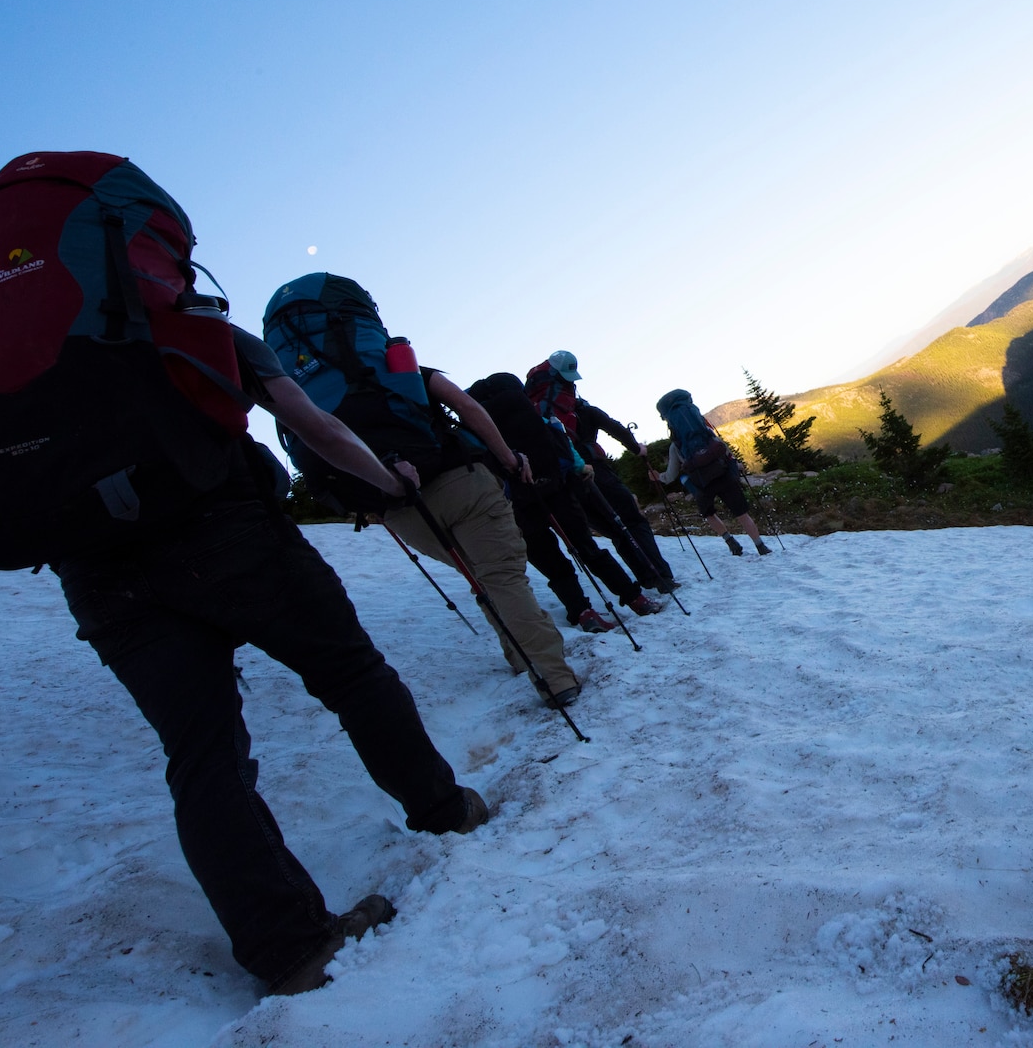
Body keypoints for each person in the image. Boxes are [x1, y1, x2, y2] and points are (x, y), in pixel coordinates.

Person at [52, 326, 494, 995]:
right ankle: (443, 809)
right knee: (350, 673)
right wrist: (388, 482)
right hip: (226, 530)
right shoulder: (184, 323)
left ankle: (290, 947)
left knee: (200, 751)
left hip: (94, 570)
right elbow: (315, 427)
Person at [262, 274, 582, 708]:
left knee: (477, 578)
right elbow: (467, 408)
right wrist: (510, 459)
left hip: (398, 507)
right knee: (503, 577)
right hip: (461, 483)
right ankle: (554, 676)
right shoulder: (400, 364)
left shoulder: (299, 391)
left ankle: (518, 656)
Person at [468, 373, 660, 627]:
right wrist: (580, 469)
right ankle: (635, 598)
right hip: (556, 490)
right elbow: (564, 446)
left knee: (551, 561)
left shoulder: (474, 425)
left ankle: (582, 612)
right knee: (588, 548)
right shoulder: (536, 414)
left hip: (518, 504)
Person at [527, 350, 678, 592]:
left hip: (563, 482)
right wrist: (637, 449)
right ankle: (659, 576)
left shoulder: (534, 410)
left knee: (615, 530)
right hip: (595, 472)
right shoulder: (581, 408)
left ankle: (647, 579)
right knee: (632, 521)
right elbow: (615, 428)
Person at [654, 388, 770, 556]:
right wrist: (736, 464)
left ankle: (730, 541)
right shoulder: (706, 432)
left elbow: (671, 475)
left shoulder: (676, 446)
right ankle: (760, 546)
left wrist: (659, 477)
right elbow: (723, 449)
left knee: (708, 513)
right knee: (741, 513)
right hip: (723, 475)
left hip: (701, 483)